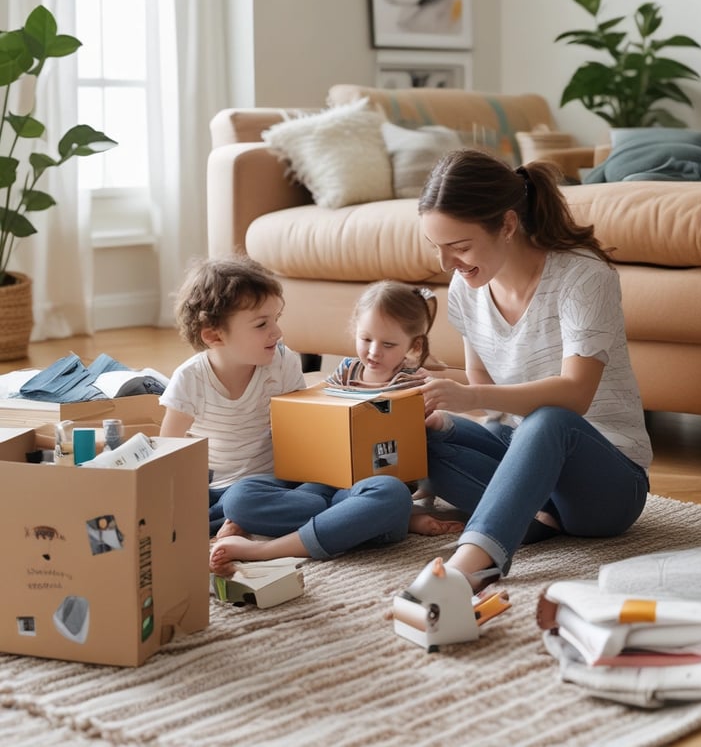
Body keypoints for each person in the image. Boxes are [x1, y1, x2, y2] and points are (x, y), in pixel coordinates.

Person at [408, 148, 652, 595]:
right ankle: (526, 517)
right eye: (437, 248)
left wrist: (472, 398)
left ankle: (472, 565)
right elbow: (481, 386)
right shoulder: (468, 286)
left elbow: (575, 396)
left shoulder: (582, 276)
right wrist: (429, 390)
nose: (447, 264)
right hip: (523, 452)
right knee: (419, 432)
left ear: (506, 224)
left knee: (550, 419)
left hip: (606, 486)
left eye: (459, 247)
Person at [158, 255, 415, 576]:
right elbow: (165, 456)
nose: (277, 332)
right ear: (213, 336)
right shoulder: (191, 379)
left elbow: (302, 430)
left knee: (392, 491)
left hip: (295, 483)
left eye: (276, 318)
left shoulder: (283, 362)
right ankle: (352, 520)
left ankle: (271, 539)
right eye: (262, 324)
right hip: (234, 494)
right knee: (238, 500)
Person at [325, 279, 465, 536]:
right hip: (342, 465)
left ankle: (405, 516)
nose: (374, 352)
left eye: (388, 345)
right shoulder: (346, 370)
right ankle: (393, 518)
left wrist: (428, 414)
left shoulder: (410, 380)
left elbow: (434, 423)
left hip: (392, 470)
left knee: (379, 493)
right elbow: (322, 405)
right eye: (365, 339)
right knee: (317, 492)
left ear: (414, 346)